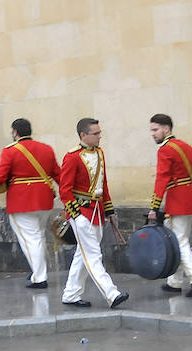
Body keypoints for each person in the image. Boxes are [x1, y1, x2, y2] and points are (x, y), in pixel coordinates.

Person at [60, 118, 129, 309]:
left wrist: (109, 210)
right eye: (96, 133)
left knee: (82, 255)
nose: (100, 136)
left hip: (97, 211)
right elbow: (65, 191)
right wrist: (76, 216)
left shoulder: (100, 153)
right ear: (83, 135)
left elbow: (103, 184)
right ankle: (111, 293)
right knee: (93, 255)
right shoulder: (71, 157)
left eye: (99, 133)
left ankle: (71, 293)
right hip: (81, 213)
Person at [0, 118, 59, 289]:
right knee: (39, 236)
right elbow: (58, 173)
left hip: (22, 201)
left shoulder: (10, 151)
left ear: (15, 132)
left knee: (31, 239)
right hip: (44, 199)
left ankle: (39, 276)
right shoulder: (46, 149)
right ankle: (38, 271)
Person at [147, 113, 192, 297]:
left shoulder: (165, 150)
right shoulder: (186, 147)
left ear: (166, 129)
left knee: (177, 241)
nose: (152, 134)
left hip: (177, 199)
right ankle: (174, 282)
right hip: (190, 198)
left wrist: (154, 206)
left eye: (155, 129)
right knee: (179, 239)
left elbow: (162, 179)